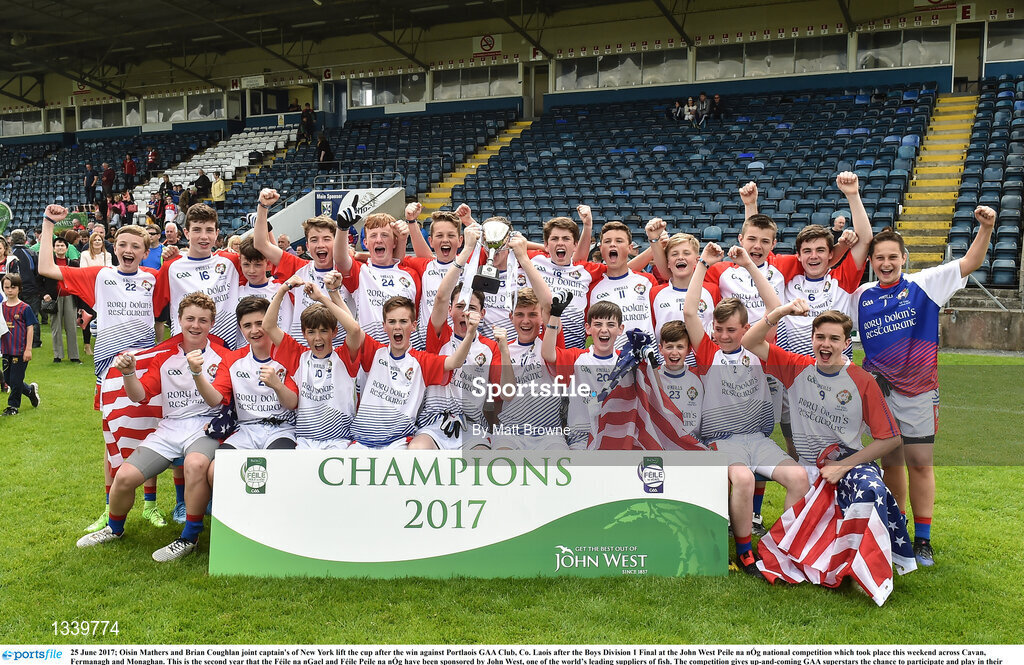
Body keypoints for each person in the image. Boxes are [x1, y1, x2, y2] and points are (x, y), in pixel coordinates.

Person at [852, 207, 996, 567]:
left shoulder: (924, 284)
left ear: (904, 258)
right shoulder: (861, 296)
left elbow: (970, 262)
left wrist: (987, 227)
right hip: (880, 393)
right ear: (871, 260)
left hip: (917, 391)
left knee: (919, 463)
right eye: (879, 257)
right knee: (891, 463)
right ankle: (896, 528)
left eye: (892, 257)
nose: (886, 263)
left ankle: (924, 539)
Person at [741, 304, 914, 591]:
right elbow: (749, 341)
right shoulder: (797, 368)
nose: (826, 344)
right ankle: (807, 554)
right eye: (820, 337)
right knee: (797, 542)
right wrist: (781, 312)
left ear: (847, 343)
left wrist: (844, 466)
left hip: (847, 463)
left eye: (834, 339)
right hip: (808, 468)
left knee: (871, 487)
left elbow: (892, 438)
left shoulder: (862, 380)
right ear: (812, 339)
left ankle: (863, 565)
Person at [685, 242, 809, 578]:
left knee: (800, 477)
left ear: (745, 329)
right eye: (718, 329)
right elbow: (689, 312)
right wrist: (703, 264)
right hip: (722, 441)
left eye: (731, 330)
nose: (723, 335)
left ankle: (784, 547)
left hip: (757, 438)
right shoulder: (708, 353)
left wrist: (752, 267)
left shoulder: (760, 350)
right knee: (741, 478)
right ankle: (744, 552)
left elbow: (775, 307)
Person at [76, 292, 227, 561]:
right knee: (124, 477)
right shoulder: (165, 356)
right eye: (189, 318)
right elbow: (139, 396)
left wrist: (196, 373)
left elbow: (217, 403)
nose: (195, 325)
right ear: (178, 320)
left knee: (194, 464)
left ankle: (189, 536)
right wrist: (128, 373)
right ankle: (115, 528)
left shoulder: (222, 356)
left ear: (211, 324)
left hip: (206, 427)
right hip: (170, 427)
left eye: (203, 320)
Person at [340, 294, 479, 449]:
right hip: (361, 443)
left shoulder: (422, 361)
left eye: (403, 321)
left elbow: (455, 362)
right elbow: (353, 327)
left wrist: (470, 333)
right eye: (392, 322)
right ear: (384, 326)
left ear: (413, 325)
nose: (397, 327)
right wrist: (332, 294)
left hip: (398, 443)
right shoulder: (374, 352)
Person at [422, 226, 502, 449]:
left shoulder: (490, 347)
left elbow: (501, 394)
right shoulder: (440, 336)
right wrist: (466, 251)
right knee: (418, 451)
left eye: (472, 308)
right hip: (434, 423)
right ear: (450, 311)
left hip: (472, 425)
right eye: (459, 306)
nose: (465, 312)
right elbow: (440, 297)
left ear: (482, 314)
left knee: (481, 460)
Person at [265, 273, 357, 449]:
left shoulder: (345, 356)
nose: (317, 338)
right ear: (304, 333)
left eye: (323, 331)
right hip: (305, 442)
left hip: (340, 441)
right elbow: (268, 326)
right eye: (312, 332)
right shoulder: (298, 356)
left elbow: (353, 328)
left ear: (334, 332)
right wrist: (284, 289)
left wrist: (323, 297)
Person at [252, 188, 343, 345]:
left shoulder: (348, 269)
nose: (320, 244)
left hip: (340, 353)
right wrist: (262, 207)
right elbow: (261, 244)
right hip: (302, 353)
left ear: (335, 243)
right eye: (314, 240)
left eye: (327, 239)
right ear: (307, 246)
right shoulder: (298, 268)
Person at [154, 204, 241, 349]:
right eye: (197, 230)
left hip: (227, 350)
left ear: (217, 233)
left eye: (209, 230)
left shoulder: (231, 262)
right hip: (187, 352)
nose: (204, 236)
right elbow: (156, 310)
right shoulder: (171, 268)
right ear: (186, 233)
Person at [542, 299, 624, 449]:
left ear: (620, 329)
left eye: (610, 325)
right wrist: (554, 315)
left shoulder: (626, 362)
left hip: (616, 435)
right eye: (598, 324)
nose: (604, 329)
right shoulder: (576, 357)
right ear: (588, 328)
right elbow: (548, 353)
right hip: (581, 439)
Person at [335, 212, 419, 344]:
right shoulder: (360, 271)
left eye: (385, 235)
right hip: (370, 353)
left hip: (406, 352)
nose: (379, 240)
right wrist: (342, 228)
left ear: (394, 242)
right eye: (373, 235)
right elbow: (340, 260)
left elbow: (416, 316)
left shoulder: (411, 274)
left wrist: (404, 237)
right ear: (365, 243)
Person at [586, 221, 658, 350]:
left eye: (619, 241)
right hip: (611, 363)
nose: (613, 244)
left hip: (648, 360)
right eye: (607, 241)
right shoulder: (592, 287)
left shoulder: (648, 280)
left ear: (630, 248)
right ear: (601, 248)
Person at [1, 273, 40, 416]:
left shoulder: (25, 308)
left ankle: (13, 407)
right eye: (6, 287)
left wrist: (28, 349)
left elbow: (30, 328)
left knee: (16, 379)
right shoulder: (1, 307)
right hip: (6, 349)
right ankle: (30, 391)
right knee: (9, 380)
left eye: (13, 287)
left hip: (19, 350)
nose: (10, 290)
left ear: (19, 288)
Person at [41, 237, 81, 364]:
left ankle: (74, 356)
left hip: (70, 296)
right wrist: (44, 294)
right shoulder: (48, 263)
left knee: (72, 327)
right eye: (57, 245)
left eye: (62, 246)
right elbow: (39, 280)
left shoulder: (73, 263)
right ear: (53, 248)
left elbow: (79, 281)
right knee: (56, 327)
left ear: (67, 248)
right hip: (54, 298)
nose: (60, 248)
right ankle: (57, 355)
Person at [8, 230, 42, 348]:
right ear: (24, 239)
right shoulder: (31, 253)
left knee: (13, 316)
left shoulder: (10, 254)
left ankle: (16, 340)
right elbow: (38, 272)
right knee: (33, 316)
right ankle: (35, 342)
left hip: (13, 290)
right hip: (31, 289)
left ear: (11, 240)